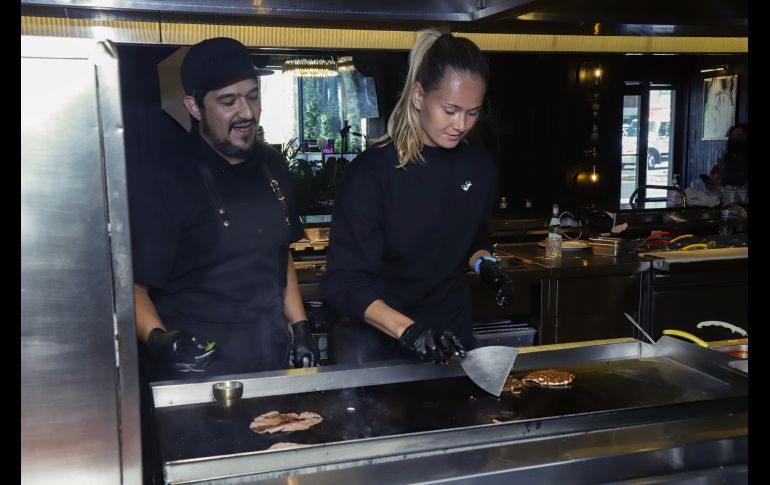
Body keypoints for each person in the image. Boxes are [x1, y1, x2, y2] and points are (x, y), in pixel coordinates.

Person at [130, 37, 318, 483]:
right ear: (194, 107)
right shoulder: (165, 178)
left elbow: (279, 256)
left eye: (252, 96)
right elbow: (133, 289)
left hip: (269, 370)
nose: (246, 112)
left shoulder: (272, 166)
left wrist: (300, 326)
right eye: (228, 101)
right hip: (196, 384)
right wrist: (162, 341)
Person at [321, 30, 513, 365]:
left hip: (451, 338)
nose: (461, 125)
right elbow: (342, 280)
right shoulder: (373, 171)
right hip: (381, 345)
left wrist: (485, 265)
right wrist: (409, 331)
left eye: (472, 113)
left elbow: (475, 242)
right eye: (450, 110)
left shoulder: (478, 165)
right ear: (418, 95)